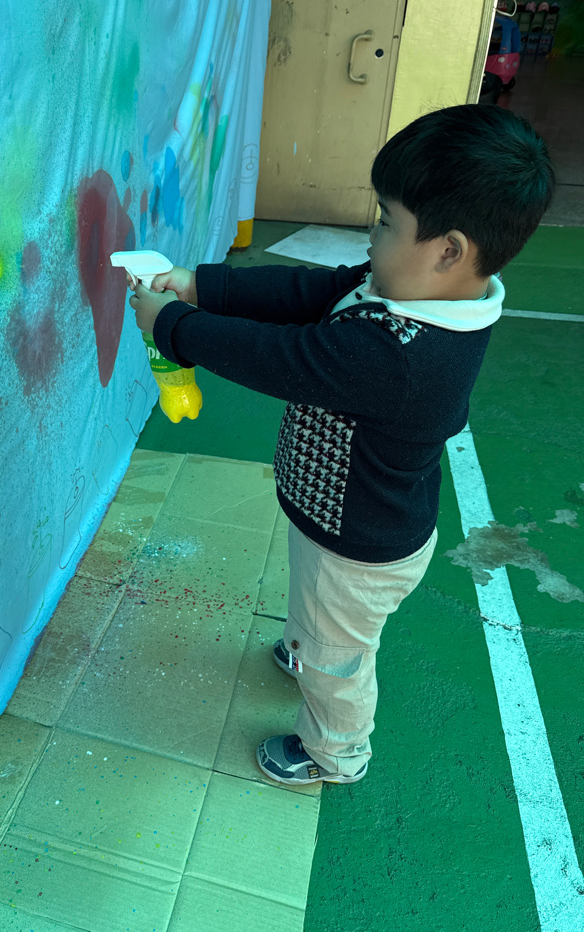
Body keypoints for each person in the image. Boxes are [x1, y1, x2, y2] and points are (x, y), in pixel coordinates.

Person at [127, 104, 555, 786]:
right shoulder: (403, 290)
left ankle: (335, 752)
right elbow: (310, 290)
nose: (372, 234)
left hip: (358, 548)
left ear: (448, 250)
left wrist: (174, 325)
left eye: (386, 221)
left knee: (338, 660)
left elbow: (282, 358)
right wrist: (203, 285)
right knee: (315, 611)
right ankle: (308, 644)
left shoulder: (401, 353)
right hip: (339, 519)